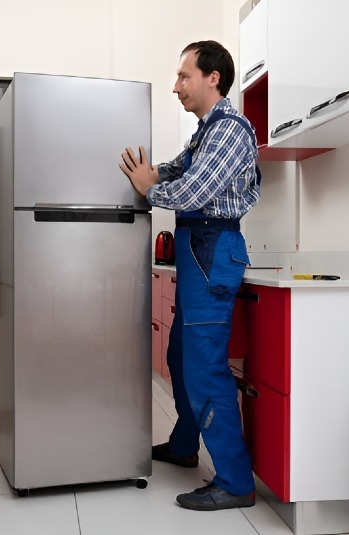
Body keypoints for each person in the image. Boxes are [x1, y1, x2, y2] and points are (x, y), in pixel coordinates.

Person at [118, 40, 261, 511]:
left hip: (212, 248)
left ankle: (237, 482)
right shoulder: (205, 133)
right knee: (181, 357)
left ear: (212, 78)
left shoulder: (231, 130)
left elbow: (194, 190)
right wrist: (149, 171)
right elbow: (176, 169)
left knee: (205, 369)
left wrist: (149, 186)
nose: (176, 85)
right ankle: (184, 444)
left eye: (184, 76)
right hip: (198, 250)